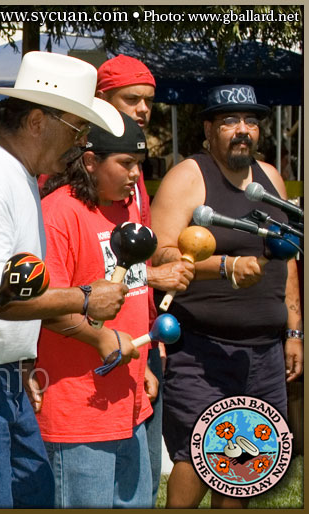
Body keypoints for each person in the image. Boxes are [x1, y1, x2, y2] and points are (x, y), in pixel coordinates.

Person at [0, 51, 129, 508]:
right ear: (35, 121)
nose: (81, 143)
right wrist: (82, 298)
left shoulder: (17, 173)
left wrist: (22, 360)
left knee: (33, 493)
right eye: (76, 129)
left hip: (2, 375)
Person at [150, 84, 303, 508]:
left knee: (245, 465)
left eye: (251, 122)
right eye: (230, 121)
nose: (242, 130)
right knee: (195, 456)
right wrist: (225, 266)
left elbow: (287, 260)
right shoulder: (189, 176)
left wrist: (294, 333)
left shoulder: (270, 178)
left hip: (265, 351)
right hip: (201, 348)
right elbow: (160, 255)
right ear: (208, 129)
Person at [38, 114, 154, 507]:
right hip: (77, 408)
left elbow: (133, 293)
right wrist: (99, 335)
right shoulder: (59, 213)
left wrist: (146, 367)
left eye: (139, 164)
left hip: (130, 402)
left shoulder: (128, 210)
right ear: (90, 161)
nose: (135, 175)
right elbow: (45, 306)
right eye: (125, 163)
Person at [96, 54, 195, 504]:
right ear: (101, 99)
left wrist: (153, 342)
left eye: (148, 102)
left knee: (141, 482)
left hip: (141, 342)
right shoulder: (79, 174)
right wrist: (156, 274)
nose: (141, 109)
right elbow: (89, 270)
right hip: (93, 351)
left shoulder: (133, 180)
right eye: (130, 98)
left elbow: (142, 248)